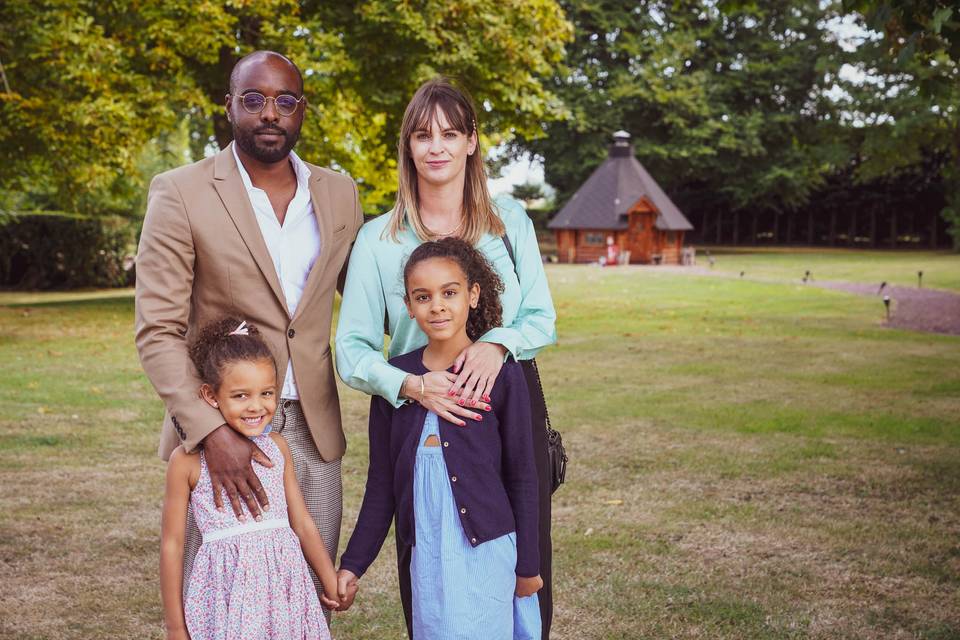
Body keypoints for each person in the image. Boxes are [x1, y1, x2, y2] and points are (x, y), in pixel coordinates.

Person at [136, 50, 363, 609]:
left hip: (313, 430)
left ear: (301, 110)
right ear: (229, 105)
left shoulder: (338, 193)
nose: (270, 112)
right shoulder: (180, 191)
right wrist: (211, 431)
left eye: (285, 100)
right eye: (254, 99)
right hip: (224, 422)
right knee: (219, 595)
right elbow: (157, 331)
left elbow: (370, 300)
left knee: (307, 596)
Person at [335, 78, 558, 637]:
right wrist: (410, 387)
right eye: (421, 135)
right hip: (416, 407)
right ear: (408, 147)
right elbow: (352, 348)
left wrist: (495, 343)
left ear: (472, 142)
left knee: (521, 566)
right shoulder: (377, 241)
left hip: (503, 397)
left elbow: (541, 318)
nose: (436, 147)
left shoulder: (509, 223)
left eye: (450, 133)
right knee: (428, 557)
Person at [337, 238, 543, 639]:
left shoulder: (501, 374)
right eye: (422, 297)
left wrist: (528, 566)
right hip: (427, 556)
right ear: (409, 309)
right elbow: (381, 485)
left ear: (473, 295)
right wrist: (353, 563)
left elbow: (522, 475)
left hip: (489, 552)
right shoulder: (396, 382)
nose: (437, 305)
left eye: (450, 292)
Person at [160, 317, 340, 640]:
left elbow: (301, 522)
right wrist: (175, 626)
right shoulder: (186, 462)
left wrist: (330, 581)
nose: (256, 406)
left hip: (283, 588)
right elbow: (172, 544)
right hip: (227, 593)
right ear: (211, 396)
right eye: (241, 396)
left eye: (266, 393)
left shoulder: (278, 447)